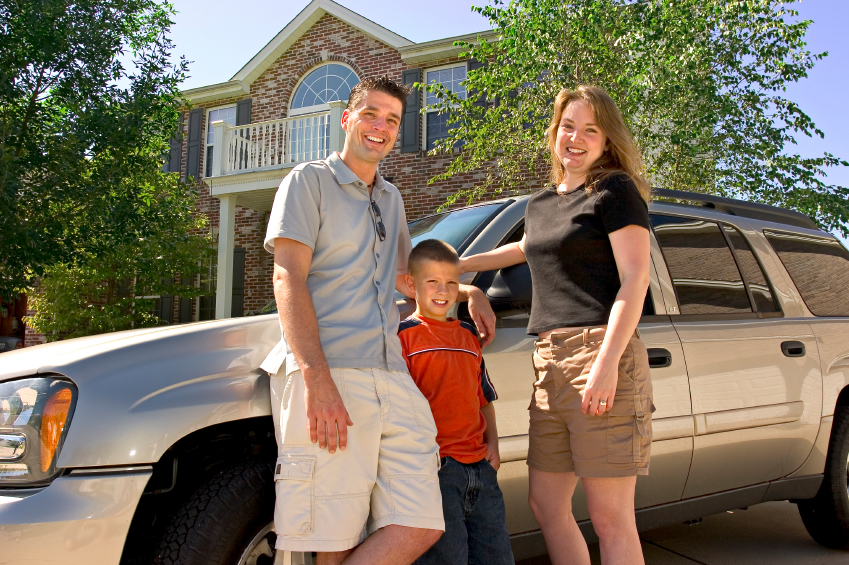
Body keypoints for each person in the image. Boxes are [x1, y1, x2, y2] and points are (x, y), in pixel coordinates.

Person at [260, 75, 496, 565]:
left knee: (422, 523)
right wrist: (317, 379)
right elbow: (287, 277)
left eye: (392, 119)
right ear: (346, 119)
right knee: (337, 535)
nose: (381, 127)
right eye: (370, 113)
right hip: (334, 371)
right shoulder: (308, 182)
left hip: (391, 372)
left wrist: (467, 289)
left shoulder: (390, 198)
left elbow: (409, 278)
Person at [460, 84, 653, 565]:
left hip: (598, 352)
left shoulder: (614, 191)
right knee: (546, 503)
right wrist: (456, 269)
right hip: (549, 363)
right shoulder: (542, 204)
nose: (576, 138)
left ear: (607, 141)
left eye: (591, 130)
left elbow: (636, 279)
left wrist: (607, 365)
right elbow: (525, 249)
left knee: (611, 521)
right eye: (568, 126)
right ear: (554, 132)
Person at [397, 239, 514, 565]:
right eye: (432, 281)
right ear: (411, 283)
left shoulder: (467, 335)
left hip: (480, 470)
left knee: (497, 556)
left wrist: (493, 444)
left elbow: (483, 398)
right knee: (447, 558)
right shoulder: (402, 337)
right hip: (436, 473)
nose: (442, 290)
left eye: (451, 282)